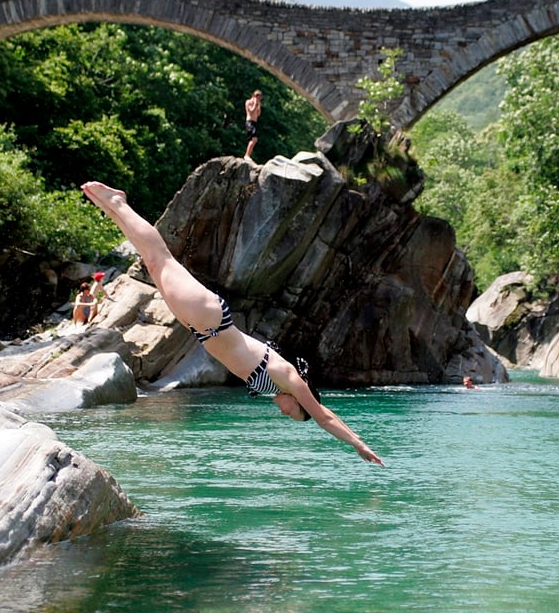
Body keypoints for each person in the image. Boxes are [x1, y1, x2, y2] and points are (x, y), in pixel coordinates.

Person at [80, 181, 385, 466]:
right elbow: (324, 417)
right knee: (161, 259)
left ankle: (112, 208)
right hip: (211, 318)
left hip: (202, 326)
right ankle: (118, 203)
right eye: (291, 413)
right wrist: (357, 444)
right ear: (298, 401)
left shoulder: (279, 385)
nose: (283, 412)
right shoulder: (289, 378)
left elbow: (322, 413)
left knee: (154, 262)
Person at [242, 90, 263, 161]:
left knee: (254, 139)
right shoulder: (248, 102)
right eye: (258, 98)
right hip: (249, 122)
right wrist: (255, 104)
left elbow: (258, 114)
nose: (258, 100)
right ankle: (247, 155)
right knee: (253, 139)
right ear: (254, 96)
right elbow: (250, 111)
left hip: (254, 122)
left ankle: (248, 155)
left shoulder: (257, 103)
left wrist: (258, 106)